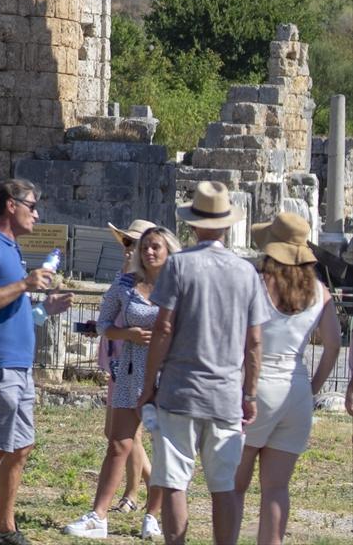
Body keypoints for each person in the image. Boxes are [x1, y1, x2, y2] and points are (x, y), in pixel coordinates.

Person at [137, 181, 271, 545]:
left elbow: (163, 328)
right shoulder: (246, 273)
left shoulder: (180, 265)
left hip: (181, 388)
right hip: (226, 392)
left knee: (175, 480)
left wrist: (149, 385)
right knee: (224, 485)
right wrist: (251, 393)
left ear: (193, 224)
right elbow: (254, 340)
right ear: (227, 226)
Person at [0, 179, 73, 545]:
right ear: (11, 205)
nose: (37, 213)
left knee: (21, 447)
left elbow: (6, 302)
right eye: (32, 205)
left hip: (19, 368)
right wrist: (25, 285)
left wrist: (42, 308)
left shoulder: (12, 250)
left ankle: (6, 527)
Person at [64, 224, 181, 540]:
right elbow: (102, 325)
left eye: (155, 246)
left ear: (169, 251)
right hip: (131, 371)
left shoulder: (181, 286)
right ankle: (98, 515)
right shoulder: (125, 283)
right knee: (119, 443)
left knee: (164, 448)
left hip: (166, 373)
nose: (148, 252)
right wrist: (124, 334)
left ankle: (153, 515)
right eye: (145, 247)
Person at [234, 212, 341, 545]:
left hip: (257, 383)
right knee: (277, 488)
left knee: (235, 485)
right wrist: (311, 390)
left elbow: (239, 338)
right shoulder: (320, 291)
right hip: (295, 388)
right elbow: (334, 346)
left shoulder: (256, 282)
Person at [101, 219, 157, 516]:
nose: (129, 249)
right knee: (115, 431)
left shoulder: (152, 280)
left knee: (125, 433)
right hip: (119, 356)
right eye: (127, 243)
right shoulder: (124, 277)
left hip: (134, 360)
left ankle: (140, 489)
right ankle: (141, 488)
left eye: (134, 244)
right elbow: (108, 319)